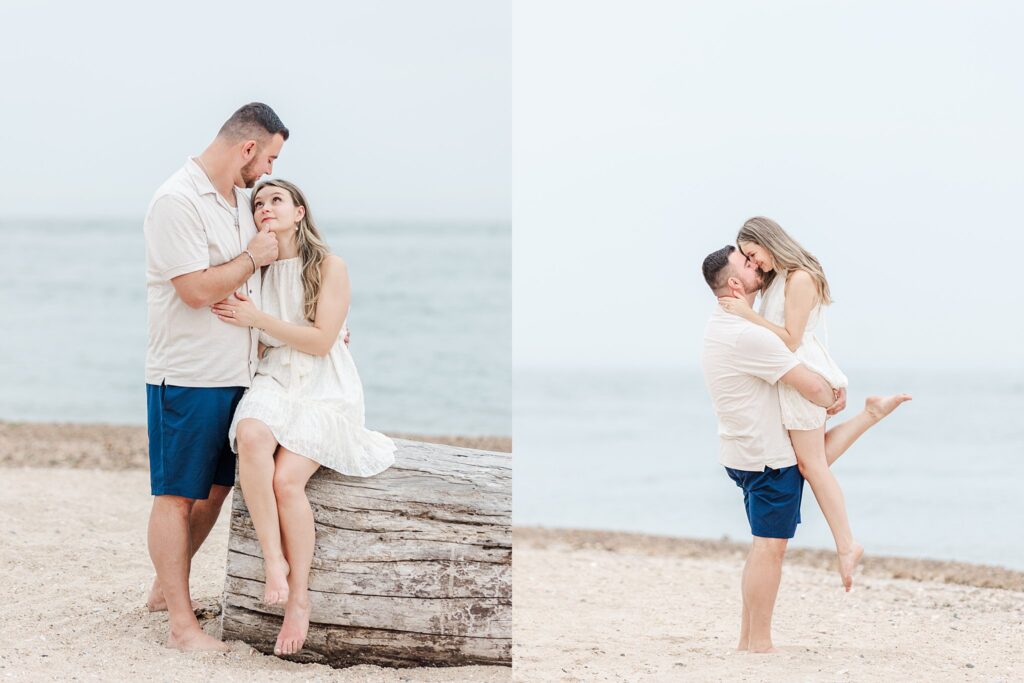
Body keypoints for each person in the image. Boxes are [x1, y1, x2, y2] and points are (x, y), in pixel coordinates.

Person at [214, 179, 396, 657]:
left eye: (276, 200)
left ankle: (299, 599)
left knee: (287, 480)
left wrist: (259, 321)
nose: (265, 208)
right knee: (251, 435)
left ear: (299, 212)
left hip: (324, 385)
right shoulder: (257, 267)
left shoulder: (330, 267)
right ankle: (275, 562)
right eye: (258, 203)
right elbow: (255, 335)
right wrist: (256, 325)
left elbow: (319, 342)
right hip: (276, 378)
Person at [702, 244, 910, 652]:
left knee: (805, 471)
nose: (755, 265)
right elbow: (813, 387)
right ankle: (758, 642)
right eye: (747, 264)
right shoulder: (748, 335)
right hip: (765, 458)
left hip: (745, 452)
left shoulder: (721, 324)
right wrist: (830, 392)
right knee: (769, 548)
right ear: (733, 283)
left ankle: (748, 639)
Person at [143, 102, 288, 652]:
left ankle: (165, 590)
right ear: (247, 148)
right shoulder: (176, 201)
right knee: (176, 495)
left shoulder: (239, 202)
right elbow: (196, 290)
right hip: (187, 374)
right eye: (269, 158)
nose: (269, 173)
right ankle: (183, 628)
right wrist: (252, 257)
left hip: (239, 372)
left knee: (217, 488)